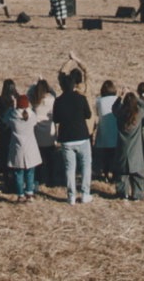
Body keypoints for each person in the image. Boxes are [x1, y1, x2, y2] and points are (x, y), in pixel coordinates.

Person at [52, 58, 94, 204]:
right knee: (86, 166)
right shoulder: (81, 97)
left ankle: (71, 196)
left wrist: (69, 60)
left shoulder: (58, 100)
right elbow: (88, 114)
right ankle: (85, 193)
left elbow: (55, 119)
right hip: (82, 135)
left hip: (66, 138)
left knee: (70, 169)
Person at [4, 94, 42, 202]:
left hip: (18, 149)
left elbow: (4, 118)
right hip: (30, 149)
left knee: (18, 173)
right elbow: (34, 118)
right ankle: (29, 193)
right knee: (30, 172)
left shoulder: (13, 117)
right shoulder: (32, 116)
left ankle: (20, 194)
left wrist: (12, 106)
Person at [115, 91, 144, 200]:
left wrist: (120, 96)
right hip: (136, 150)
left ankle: (122, 194)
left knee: (122, 175)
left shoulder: (120, 114)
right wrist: (136, 98)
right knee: (138, 175)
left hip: (122, 149)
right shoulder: (138, 114)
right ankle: (137, 194)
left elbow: (114, 107)